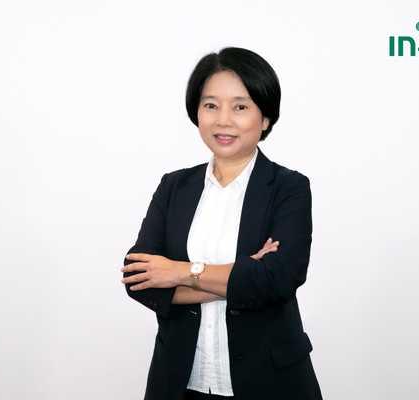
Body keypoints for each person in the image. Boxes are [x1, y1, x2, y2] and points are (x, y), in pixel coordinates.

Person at [122, 47, 323, 400]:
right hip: (180, 384)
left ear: (265, 118)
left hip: (269, 384)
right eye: (211, 105)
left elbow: (277, 279)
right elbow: (139, 279)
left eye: (240, 107)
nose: (223, 120)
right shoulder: (174, 187)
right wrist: (243, 274)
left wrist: (179, 272)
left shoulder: (288, 187)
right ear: (196, 112)